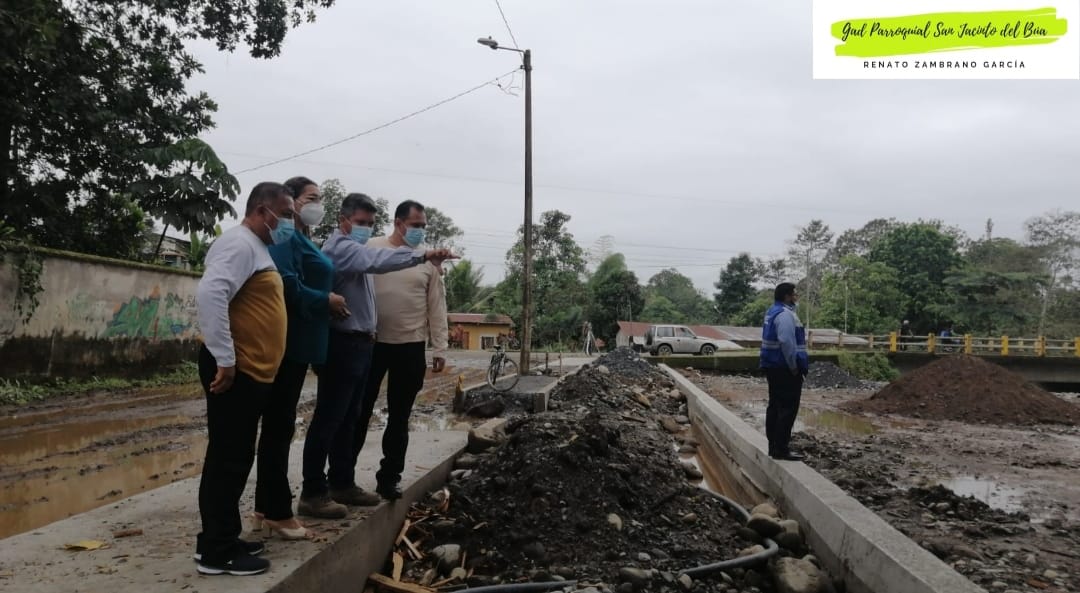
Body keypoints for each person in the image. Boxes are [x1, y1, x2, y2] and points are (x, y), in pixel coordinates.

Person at [298, 193, 455, 518]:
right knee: (335, 419)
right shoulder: (357, 250)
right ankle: (317, 489)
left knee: (362, 417)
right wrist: (423, 255)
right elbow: (379, 261)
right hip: (351, 344)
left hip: (386, 345)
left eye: (370, 223)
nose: (366, 228)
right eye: (360, 222)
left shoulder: (364, 251)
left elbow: (436, 307)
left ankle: (351, 481)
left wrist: (439, 346)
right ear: (343, 221)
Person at [193, 182, 293, 576]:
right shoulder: (239, 244)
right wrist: (225, 359)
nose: (289, 221)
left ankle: (220, 539)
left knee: (234, 457)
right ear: (263, 210)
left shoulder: (255, 247)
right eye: (285, 214)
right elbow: (211, 294)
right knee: (228, 459)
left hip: (249, 370)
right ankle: (218, 553)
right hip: (235, 370)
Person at [250, 177, 349, 540]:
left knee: (281, 425)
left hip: (303, 343)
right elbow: (286, 284)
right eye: (311, 198)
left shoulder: (304, 239)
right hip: (287, 344)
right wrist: (326, 300)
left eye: (319, 198)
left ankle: (266, 507)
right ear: (290, 203)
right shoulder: (286, 238)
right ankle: (276, 511)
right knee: (278, 428)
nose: (317, 205)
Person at [353, 200, 449, 501]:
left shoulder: (428, 260)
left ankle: (389, 478)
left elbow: (437, 306)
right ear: (398, 223)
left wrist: (440, 347)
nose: (420, 231)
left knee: (399, 417)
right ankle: (342, 478)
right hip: (371, 344)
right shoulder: (371, 248)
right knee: (358, 412)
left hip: (410, 346)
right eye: (415, 225)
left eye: (423, 226)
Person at [759, 282, 808, 462]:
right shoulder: (786, 315)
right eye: (794, 294)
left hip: (773, 366)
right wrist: (794, 366)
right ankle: (781, 448)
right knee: (787, 409)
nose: (796, 297)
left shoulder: (772, 311)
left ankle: (774, 446)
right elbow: (787, 342)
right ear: (787, 296)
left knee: (775, 406)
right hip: (784, 367)